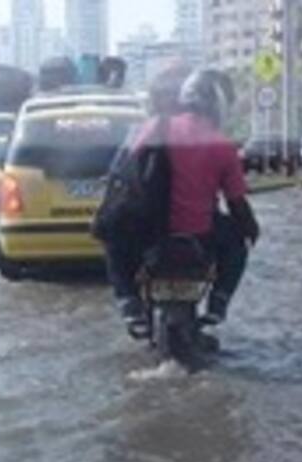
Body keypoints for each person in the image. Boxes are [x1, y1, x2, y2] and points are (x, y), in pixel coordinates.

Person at [121, 68, 260, 329]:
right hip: (201, 234)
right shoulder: (223, 146)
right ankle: (218, 304)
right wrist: (251, 229)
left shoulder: (155, 127)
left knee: (114, 243)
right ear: (218, 107)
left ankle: (129, 304)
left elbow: (127, 171)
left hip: (149, 232)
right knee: (237, 246)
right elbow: (237, 203)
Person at [102, 64, 191, 327]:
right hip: (196, 228)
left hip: (145, 225)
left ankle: (128, 301)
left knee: (113, 245)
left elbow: (119, 170)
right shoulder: (204, 132)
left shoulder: (141, 131)